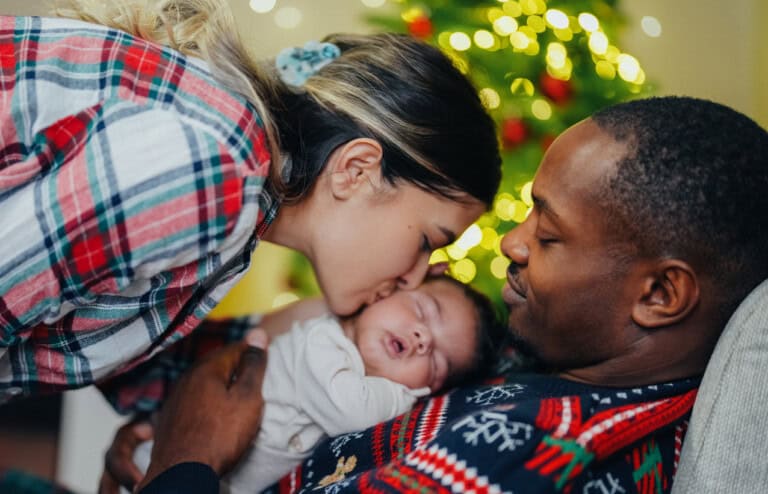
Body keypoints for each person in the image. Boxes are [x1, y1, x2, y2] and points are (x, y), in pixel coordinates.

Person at [103, 95, 766, 493]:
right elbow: (169, 368)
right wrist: (168, 424)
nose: (512, 244)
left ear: (659, 294)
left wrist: (185, 461)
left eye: (549, 234)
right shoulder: (536, 352)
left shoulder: (541, 458)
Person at [0, 0, 501, 401]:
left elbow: (123, 361)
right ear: (356, 171)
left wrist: (342, 326)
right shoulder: (214, 173)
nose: (416, 277)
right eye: (428, 241)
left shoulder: (239, 214)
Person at [130, 274, 502, 493]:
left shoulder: (358, 376)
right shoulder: (321, 344)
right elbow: (353, 413)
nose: (423, 339)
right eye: (421, 311)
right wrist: (409, 395)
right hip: (156, 468)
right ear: (383, 294)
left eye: (435, 364)